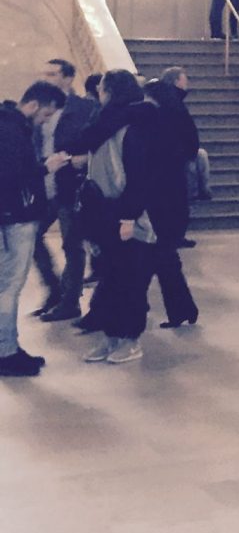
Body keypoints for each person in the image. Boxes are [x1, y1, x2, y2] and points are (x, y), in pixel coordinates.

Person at [74, 69, 160, 365]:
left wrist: (129, 218)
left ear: (110, 91)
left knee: (130, 281)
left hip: (128, 214)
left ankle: (130, 339)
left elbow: (140, 177)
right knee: (109, 278)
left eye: (101, 88)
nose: (99, 93)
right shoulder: (105, 124)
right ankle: (111, 336)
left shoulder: (134, 125)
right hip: (104, 210)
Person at [1, 81, 63, 376]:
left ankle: (8, 346)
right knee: (9, 287)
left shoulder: (9, 123)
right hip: (16, 216)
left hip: (11, 214)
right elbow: (13, 174)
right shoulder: (12, 129)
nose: (45, 121)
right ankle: (6, 353)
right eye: (45, 115)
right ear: (35, 104)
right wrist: (45, 167)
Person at [31, 56, 97, 322]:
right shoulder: (39, 106)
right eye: (45, 73)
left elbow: (97, 141)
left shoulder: (84, 108)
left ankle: (70, 301)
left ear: (68, 78)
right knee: (32, 237)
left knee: (72, 245)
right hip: (42, 185)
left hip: (70, 186)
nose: (47, 77)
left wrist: (84, 159)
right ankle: (54, 288)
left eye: (53, 74)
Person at [144, 73, 200, 328]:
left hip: (161, 200)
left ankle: (182, 310)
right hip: (174, 197)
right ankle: (183, 310)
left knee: (161, 256)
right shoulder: (179, 118)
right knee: (165, 257)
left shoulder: (157, 125)